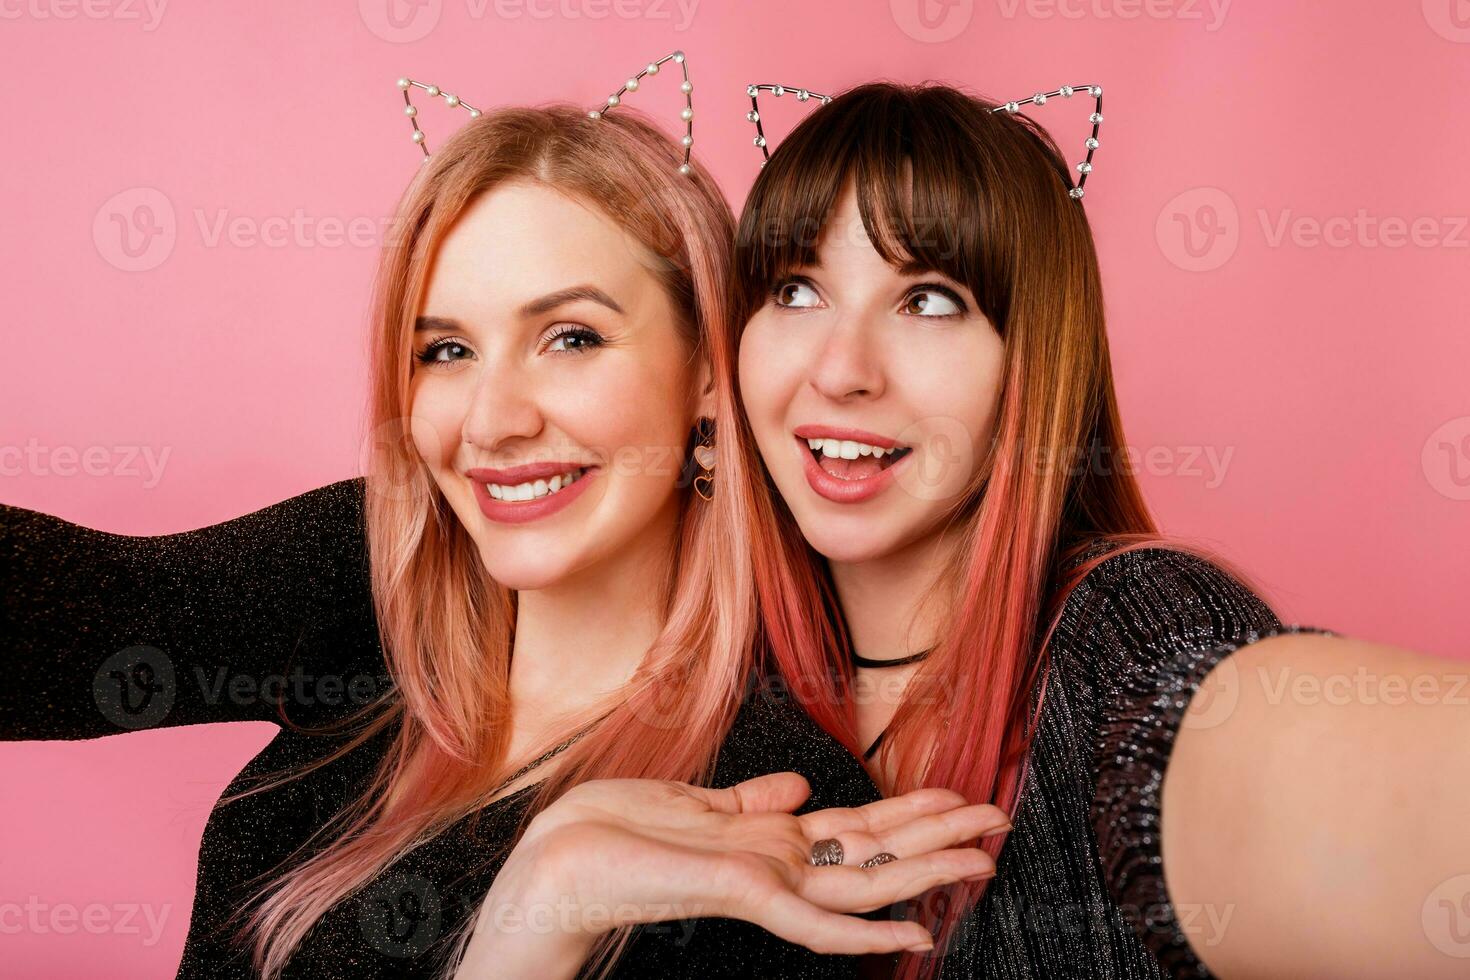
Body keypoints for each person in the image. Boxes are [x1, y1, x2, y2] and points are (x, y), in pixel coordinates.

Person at [0, 83, 1005, 979]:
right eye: (446, 349)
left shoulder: (770, 816)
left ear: (708, 369)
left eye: (569, 337)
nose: (491, 421)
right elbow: (72, 617)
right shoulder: (373, 582)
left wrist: (538, 923)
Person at [731, 81, 1467, 979]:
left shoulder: (1122, 638)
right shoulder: (719, 689)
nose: (841, 371)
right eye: (796, 290)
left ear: (1033, 361)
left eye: (928, 300)